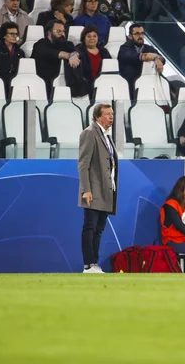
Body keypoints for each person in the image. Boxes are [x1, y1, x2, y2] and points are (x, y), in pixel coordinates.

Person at [78, 102, 118, 273]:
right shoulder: (89, 133)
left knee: (99, 229)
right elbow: (83, 164)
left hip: (107, 190)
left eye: (113, 114)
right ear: (97, 116)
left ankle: (94, 263)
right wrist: (86, 189)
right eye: (108, 114)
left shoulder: (106, 136)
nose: (111, 117)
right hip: (94, 190)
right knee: (90, 227)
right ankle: (88, 264)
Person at [31, 19, 78, 98]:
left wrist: (74, 54)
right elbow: (52, 53)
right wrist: (69, 55)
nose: (62, 34)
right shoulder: (40, 45)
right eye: (58, 31)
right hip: (44, 83)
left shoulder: (68, 44)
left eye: (63, 31)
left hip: (64, 82)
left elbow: (75, 53)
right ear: (49, 33)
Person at [117, 23, 165, 102]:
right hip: (129, 85)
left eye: (142, 33)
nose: (140, 36)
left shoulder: (148, 48)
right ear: (130, 36)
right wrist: (153, 57)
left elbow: (162, 59)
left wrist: (156, 59)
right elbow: (141, 57)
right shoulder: (124, 48)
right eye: (137, 34)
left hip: (147, 83)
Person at [65, 25, 112, 98]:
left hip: (103, 87)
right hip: (85, 89)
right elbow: (76, 53)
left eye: (94, 36)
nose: (92, 38)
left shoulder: (104, 51)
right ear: (84, 39)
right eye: (89, 36)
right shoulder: (78, 50)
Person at [0, 22, 25, 97]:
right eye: (12, 34)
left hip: (16, 83)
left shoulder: (20, 52)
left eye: (16, 34)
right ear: (4, 35)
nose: (15, 36)